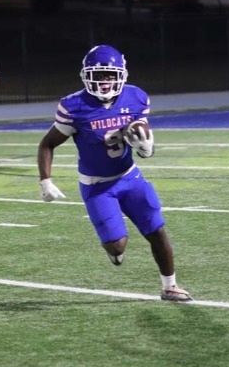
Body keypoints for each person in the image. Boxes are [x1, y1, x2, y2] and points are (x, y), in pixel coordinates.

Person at [37, 44, 193, 302]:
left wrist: (146, 147)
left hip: (129, 177)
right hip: (97, 185)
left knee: (156, 229)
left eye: (110, 75)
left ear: (121, 75)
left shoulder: (136, 97)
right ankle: (113, 250)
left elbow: (142, 140)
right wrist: (45, 180)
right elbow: (47, 143)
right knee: (117, 245)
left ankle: (170, 286)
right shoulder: (75, 106)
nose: (104, 81)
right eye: (98, 75)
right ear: (86, 76)